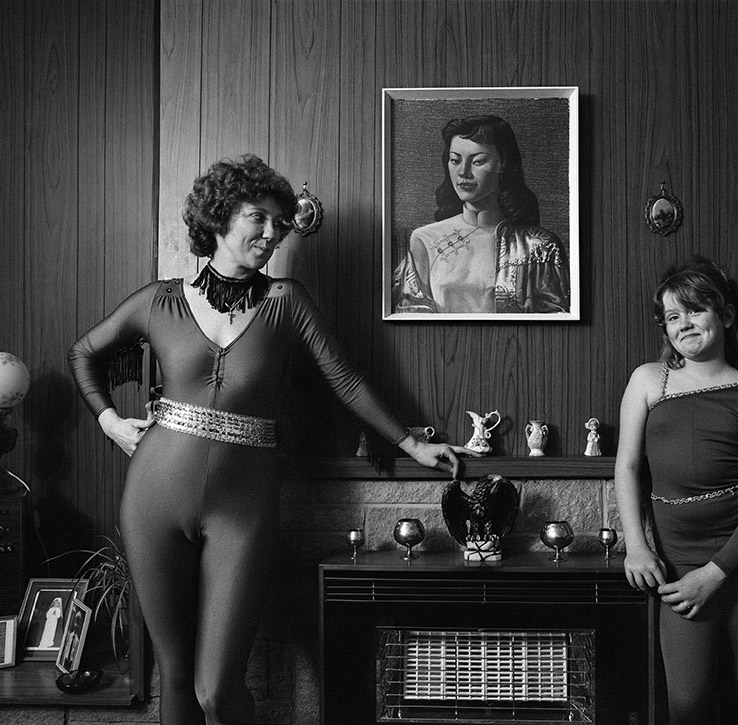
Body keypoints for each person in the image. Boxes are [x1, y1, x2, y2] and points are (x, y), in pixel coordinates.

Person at [68, 154, 478, 725]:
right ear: (218, 218)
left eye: (280, 224)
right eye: (258, 218)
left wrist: (411, 445)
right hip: (151, 499)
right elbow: (84, 353)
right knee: (176, 680)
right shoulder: (158, 301)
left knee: (216, 689)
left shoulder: (286, 300)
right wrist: (111, 421)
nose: (271, 234)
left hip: (243, 506)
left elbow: (344, 379)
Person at [613, 256, 738, 723]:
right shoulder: (649, 380)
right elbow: (627, 467)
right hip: (677, 561)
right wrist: (637, 548)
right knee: (687, 702)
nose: (683, 323)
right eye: (672, 316)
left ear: (724, 315)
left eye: (694, 309)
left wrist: (715, 573)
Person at [392, 114, 570, 314]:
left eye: (478, 161)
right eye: (455, 160)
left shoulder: (539, 246)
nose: (463, 172)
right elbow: (410, 315)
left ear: (504, 165)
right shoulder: (425, 239)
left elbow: (557, 321)